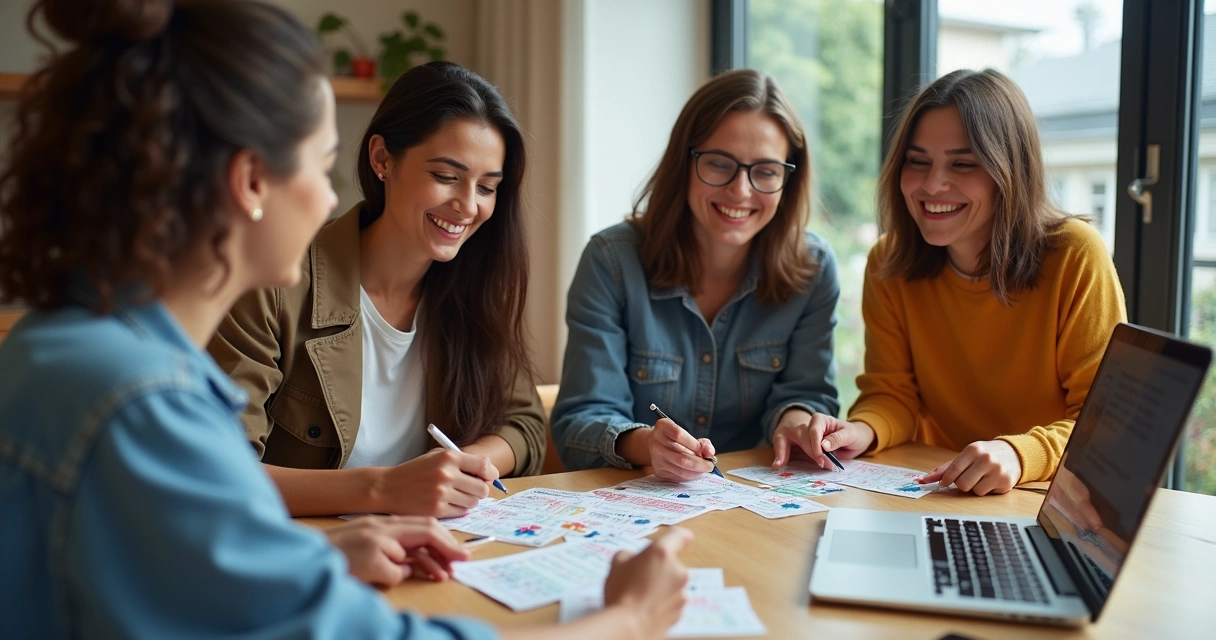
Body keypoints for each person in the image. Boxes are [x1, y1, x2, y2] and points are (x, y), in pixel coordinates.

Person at [0, 2, 690, 638]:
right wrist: (629, 616)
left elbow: (172, 555)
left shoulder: (60, 345)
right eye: (324, 163)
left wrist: (315, 548)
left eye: (488, 186)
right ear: (250, 183)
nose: (332, 195)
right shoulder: (146, 409)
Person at [208, 61, 547, 518]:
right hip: (306, 550)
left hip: (429, 548)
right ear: (382, 159)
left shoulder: (474, 287)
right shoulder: (275, 283)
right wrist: (386, 488)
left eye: (487, 187)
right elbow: (222, 471)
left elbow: (524, 423)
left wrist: (465, 466)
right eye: (446, 177)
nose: (468, 206)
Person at [797, 69, 1127, 496]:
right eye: (917, 161)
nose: (933, 184)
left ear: (1010, 171)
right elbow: (892, 393)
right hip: (943, 492)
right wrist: (861, 429)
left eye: (963, 164)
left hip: (1045, 500)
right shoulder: (889, 262)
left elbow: (1105, 426)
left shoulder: (1075, 254)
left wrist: (1018, 454)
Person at [551, 69, 840, 480]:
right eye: (719, 164)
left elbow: (807, 393)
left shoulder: (814, 268)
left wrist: (796, 422)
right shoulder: (611, 261)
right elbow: (581, 420)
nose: (740, 190)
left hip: (758, 506)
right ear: (684, 162)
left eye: (766, 171)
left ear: (787, 181)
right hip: (643, 503)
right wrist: (648, 446)